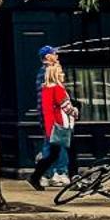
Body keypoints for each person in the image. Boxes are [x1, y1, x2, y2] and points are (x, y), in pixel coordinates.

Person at [29, 46, 76, 191]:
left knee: (51, 146)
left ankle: (45, 174)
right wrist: (73, 110)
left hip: (51, 119)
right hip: (55, 120)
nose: (57, 56)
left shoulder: (45, 77)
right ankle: (58, 173)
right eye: (54, 54)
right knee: (57, 144)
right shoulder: (49, 76)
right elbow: (55, 103)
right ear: (48, 56)